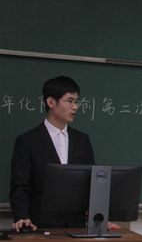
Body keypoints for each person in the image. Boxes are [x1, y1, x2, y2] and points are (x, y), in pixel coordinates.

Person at [9, 76, 95, 231]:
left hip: (76, 227)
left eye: (76, 101)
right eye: (69, 101)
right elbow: (20, 186)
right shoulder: (28, 141)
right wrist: (22, 217)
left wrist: (99, 218)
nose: (75, 107)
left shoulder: (82, 140)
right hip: (39, 226)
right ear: (51, 102)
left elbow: (93, 182)